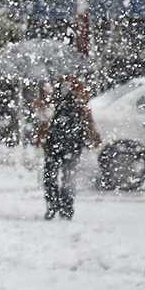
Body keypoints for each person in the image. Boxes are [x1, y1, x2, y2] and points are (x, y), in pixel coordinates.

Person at [35, 75, 100, 220]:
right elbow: (44, 115)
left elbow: (85, 112)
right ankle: (53, 205)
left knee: (68, 175)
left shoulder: (78, 88)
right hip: (56, 139)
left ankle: (66, 206)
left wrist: (93, 134)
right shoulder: (50, 87)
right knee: (51, 175)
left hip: (71, 140)